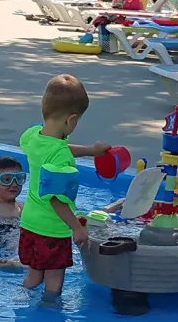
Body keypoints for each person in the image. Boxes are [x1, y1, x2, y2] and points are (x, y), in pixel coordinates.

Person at [19, 74, 110, 298]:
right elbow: (56, 198)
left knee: (34, 274)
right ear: (71, 120)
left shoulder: (32, 136)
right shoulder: (59, 154)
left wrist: (90, 151)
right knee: (54, 280)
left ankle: (21, 302)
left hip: (29, 223)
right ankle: (49, 320)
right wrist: (76, 228)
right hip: (52, 229)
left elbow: (60, 149)